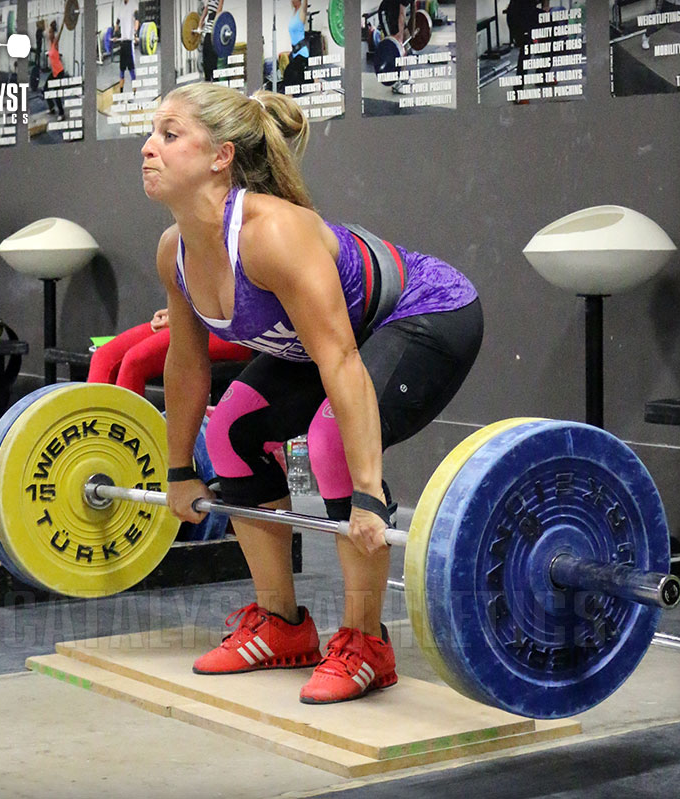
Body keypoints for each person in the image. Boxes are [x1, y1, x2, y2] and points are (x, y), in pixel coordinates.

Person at [141, 83, 482, 704]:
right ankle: (281, 626)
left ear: (220, 156)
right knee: (233, 433)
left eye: (169, 135)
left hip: (425, 314)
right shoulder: (176, 250)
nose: (148, 149)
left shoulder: (272, 233)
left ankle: (365, 642)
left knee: (329, 442)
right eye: (150, 133)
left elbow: (342, 359)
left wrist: (370, 493)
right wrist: (179, 469)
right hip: (334, 340)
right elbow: (186, 362)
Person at [88, 307, 251, 396]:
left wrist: (187, 315)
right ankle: (89, 438)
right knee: (103, 356)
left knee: (135, 361)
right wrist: (174, 310)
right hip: (194, 315)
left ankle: (125, 442)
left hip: (235, 328)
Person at [379, 0, 415, 95]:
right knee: (394, 48)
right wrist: (399, 35)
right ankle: (396, 84)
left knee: (406, 43)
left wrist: (412, 28)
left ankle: (403, 75)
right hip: (387, 14)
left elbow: (413, 7)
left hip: (396, 13)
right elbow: (402, 14)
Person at [282, 0, 309, 90]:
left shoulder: (302, 11)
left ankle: (290, 99)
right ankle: (319, 84)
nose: (293, 1)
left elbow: (305, 4)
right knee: (299, 78)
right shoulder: (294, 13)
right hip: (295, 52)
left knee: (288, 75)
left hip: (302, 53)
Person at [117, 0, 140, 97]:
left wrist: (135, 33)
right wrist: (115, 30)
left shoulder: (133, 5)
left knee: (131, 70)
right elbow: (117, 21)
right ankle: (121, 93)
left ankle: (135, 93)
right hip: (123, 42)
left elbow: (137, 20)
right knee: (121, 70)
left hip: (130, 42)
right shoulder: (121, 5)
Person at [199, 0, 224, 82]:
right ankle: (207, 80)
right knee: (205, 56)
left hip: (214, 30)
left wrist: (215, 29)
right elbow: (204, 13)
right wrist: (200, 25)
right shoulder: (209, 1)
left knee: (212, 59)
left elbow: (219, 12)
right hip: (207, 30)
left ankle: (215, 81)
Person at [46, 19, 65, 119]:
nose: (48, 34)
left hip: (59, 72)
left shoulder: (55, 43)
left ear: (53, 33)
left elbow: (60, 32)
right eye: (48, 32)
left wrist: (63, 23)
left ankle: (61, 113)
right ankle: (52, 108)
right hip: (54, 72)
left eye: (50, 32)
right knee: (45, 89)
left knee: (56, 92)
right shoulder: (50, 44)